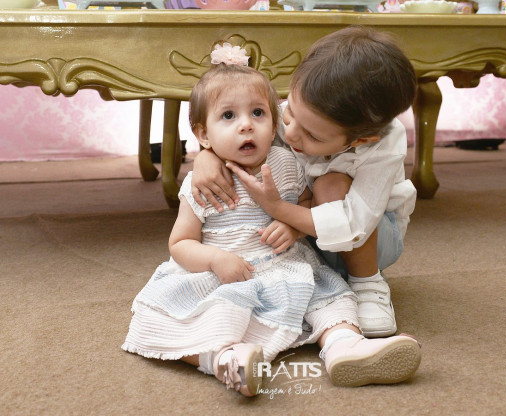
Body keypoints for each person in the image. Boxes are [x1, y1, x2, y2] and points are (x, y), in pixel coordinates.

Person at [122, 43, 421, 398]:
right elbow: (180, 242)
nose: (248, 125)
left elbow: (321, 207)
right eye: (229, 116)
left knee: (329, 300)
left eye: (258, 114)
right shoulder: (204, 182)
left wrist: (289, 221)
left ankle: (346, 340)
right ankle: (225, 360)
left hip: (336, 247)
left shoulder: (292, 162)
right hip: (231, 269)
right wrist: (205, 158)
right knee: (202, 316)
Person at [190, 26, 418, 339]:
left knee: (330, 185)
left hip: (370, 239)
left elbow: (354, 223)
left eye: (312, 135)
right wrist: (206, 156)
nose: (292, 134)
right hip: (302, 241)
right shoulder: (297, 115)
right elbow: (234, 136)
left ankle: (367, 282)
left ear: (360, 139)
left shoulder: (384, 145)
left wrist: (277, 208)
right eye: (290, 115)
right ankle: (319, 278)